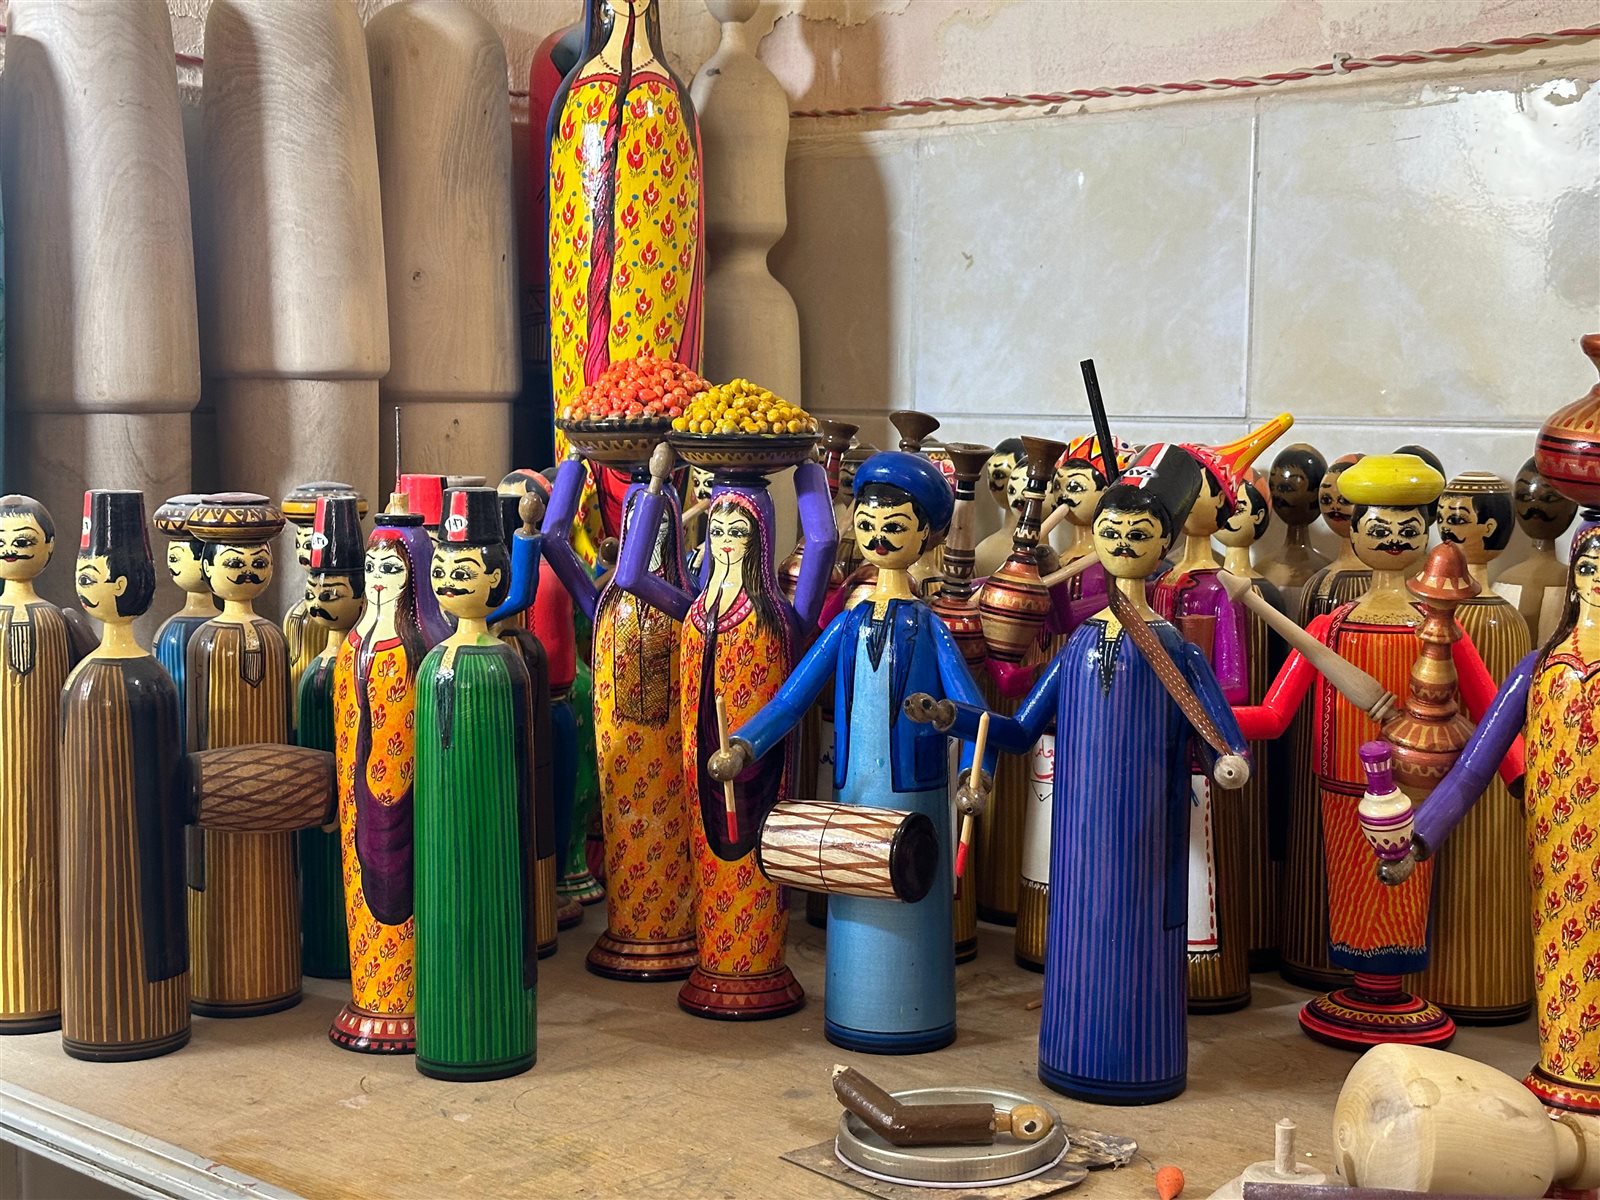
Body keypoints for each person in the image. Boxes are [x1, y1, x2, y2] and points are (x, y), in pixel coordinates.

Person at [908, 444, 1250, 1104]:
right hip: (1078, 844)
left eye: (1138, 533)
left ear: (1166, 544)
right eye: (1112, 531)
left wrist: (1231, 763)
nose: (1122, 543)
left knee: (1141, 956)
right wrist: (954, 716)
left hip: (1149, 843)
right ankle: (1071, 1057)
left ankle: (1140, 1067)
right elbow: (1018, 731)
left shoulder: (1176, 649)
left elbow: (1223, 739)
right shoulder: (1080, 646)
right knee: (1077, 948)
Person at [709, 451, 983, 1053]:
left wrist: (973, 774)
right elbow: (791, 698)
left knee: (914, 892)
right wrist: (745, 745)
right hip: (852, 794)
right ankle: (856, 1012)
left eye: (895, 525)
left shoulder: (929, 627)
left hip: (915, 795)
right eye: (868, 523)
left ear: (928, 535)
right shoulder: (847, 625)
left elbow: (973, 714)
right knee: (853, 901)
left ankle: (916, 1018)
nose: (879, 537)